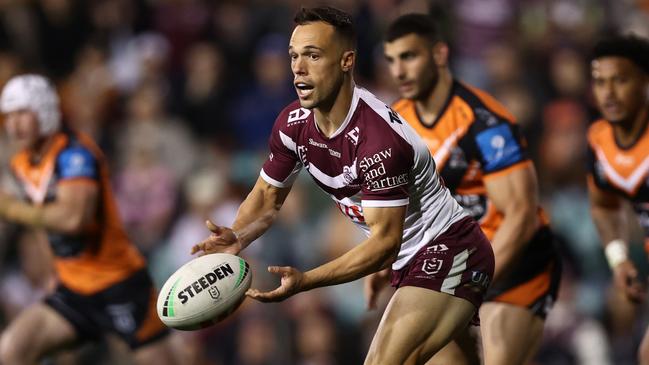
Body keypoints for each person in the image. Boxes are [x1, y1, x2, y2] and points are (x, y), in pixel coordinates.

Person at [191, 6, 494, 365]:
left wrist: (307, 281)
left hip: (449, 250)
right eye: (294, 56)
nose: (298, 68)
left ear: (346, 61)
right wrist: (238, 236)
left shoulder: (378, 141)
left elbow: (384, 244)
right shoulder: (293, 124)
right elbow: (267, 199)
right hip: (408, 263)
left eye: (313, 55)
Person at [365, 14, 562, 365]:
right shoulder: (395, 123)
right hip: (452, 265)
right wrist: (384, 261)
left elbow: (520, 217)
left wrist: (474, 281)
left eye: (409, 57)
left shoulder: (485, 121)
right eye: (391, 60)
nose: (398, 71)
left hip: (516, 267)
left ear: (439, 54)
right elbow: (402, 207)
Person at [0, 74, 177, 365]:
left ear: (43, 111)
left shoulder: (74, 154)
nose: (14, 124)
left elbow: (73, 220)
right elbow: (43, 224)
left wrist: (10, 209)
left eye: (22, 113)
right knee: (13, 349)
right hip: (74, 289)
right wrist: (52, 272)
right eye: (9, 115)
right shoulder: (21, 163)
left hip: (119, 283)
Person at [586, 34, 649, 364]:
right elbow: (604, 205)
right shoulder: (600, 140)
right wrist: (618, 258)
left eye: (620, 80)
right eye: (600, 82)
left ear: (644, 82)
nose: (608, 93)